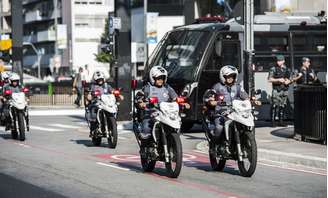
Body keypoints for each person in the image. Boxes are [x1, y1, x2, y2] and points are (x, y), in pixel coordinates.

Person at [204, 65, 259, 150]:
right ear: (223, 77)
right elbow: (211, 98)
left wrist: (253, 101)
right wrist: (213, 102)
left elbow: (245, 97)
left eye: (232, 76)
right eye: (228, 76)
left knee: (246, 123)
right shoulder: (217, 86)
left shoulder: (237, 87)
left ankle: (244, 142)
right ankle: (214, 146)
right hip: (221, 113)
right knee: (219, 128)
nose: (230, 78)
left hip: (235, 112)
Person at [136, 66, 179, 140]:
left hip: (166, 114)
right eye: (158, 78)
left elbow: (175, 97)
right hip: (151, 114)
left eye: (162, 78)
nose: (160, 80)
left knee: (176, 124)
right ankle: (146, 146)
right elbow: (139, 97)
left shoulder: (167, 87)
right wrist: (141, 103)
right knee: (146, 128)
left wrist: (182, 102)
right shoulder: (148, 88)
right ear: (153, 78)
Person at [86, 71, 123, 135]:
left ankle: (112, 125)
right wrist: (90, 95)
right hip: (97, 102)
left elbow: (112, 91)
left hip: (107, 103)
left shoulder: (107, 85)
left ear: (103, 79)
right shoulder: (93, 86)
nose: (100, 81)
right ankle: (93, 128)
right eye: (98, 80)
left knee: (114, 109)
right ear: (95, 80)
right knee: (93, 111)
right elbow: (89, 94)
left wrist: (118, 95)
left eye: (101, 79)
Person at [267, 55, 292, 127]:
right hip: (276, 90)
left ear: (283, 61)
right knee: (274, 105)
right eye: (277, 61)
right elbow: (269, 79)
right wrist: (278, 80)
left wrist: (289, 81)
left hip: (285, 89)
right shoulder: (273, 69)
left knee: (283, 105)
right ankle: (273, 121)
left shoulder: (287, 69)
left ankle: (281, 121)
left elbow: (290, 79)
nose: (278, 62)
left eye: (280, 61)